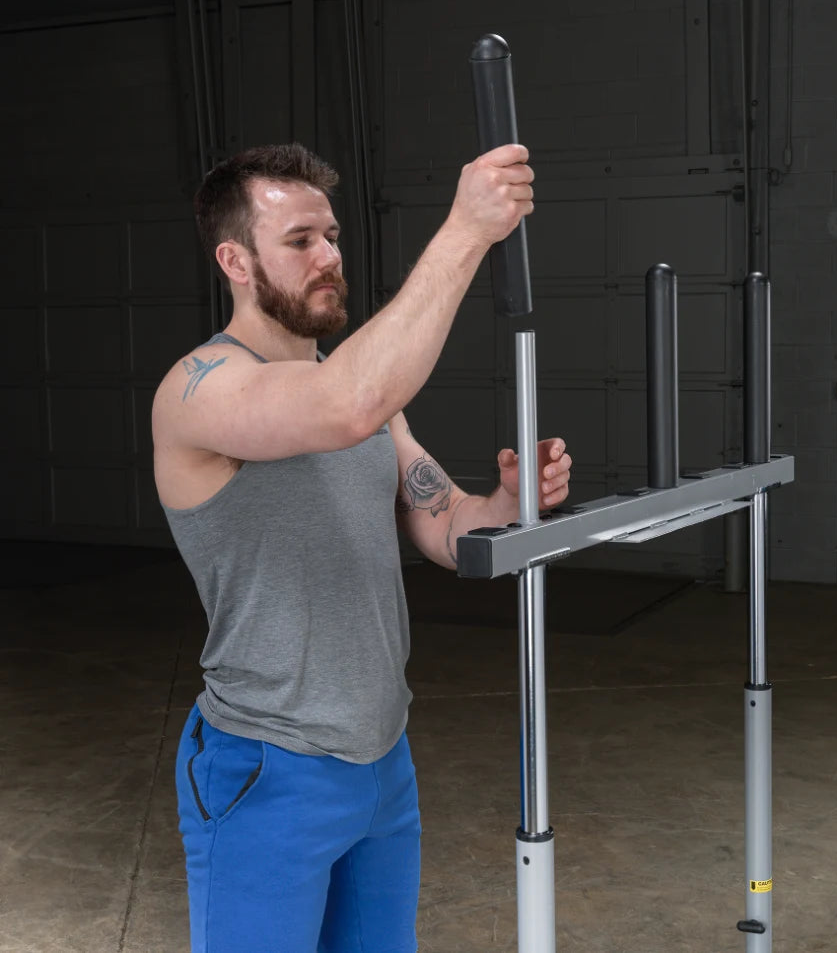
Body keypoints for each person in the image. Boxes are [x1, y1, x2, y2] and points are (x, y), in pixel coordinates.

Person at [152, 141, 572, 953]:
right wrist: (466, 231)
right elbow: (344, 402)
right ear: (235, 260)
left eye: (332, 236)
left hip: (382, 762)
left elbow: (445, 523)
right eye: (300, 241)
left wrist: (507, 505)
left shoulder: (368, 402)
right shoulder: (199, 390)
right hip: (266, 767)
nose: (329, 257)